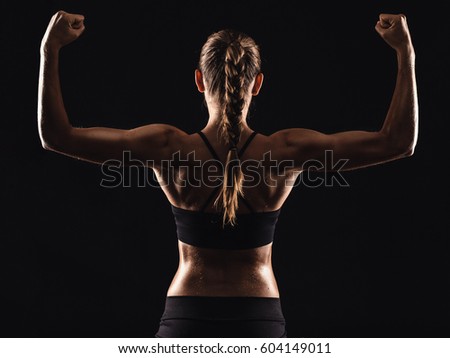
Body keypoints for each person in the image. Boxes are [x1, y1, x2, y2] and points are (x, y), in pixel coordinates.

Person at [38, 10, 418, 338]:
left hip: (186, 316)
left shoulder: (167, 146)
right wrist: (406, 53)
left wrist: (49, 50)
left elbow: (57, 137)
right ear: (257, 83)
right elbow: (396, 143)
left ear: (200, 81)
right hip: (259, 317)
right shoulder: (285, 150)